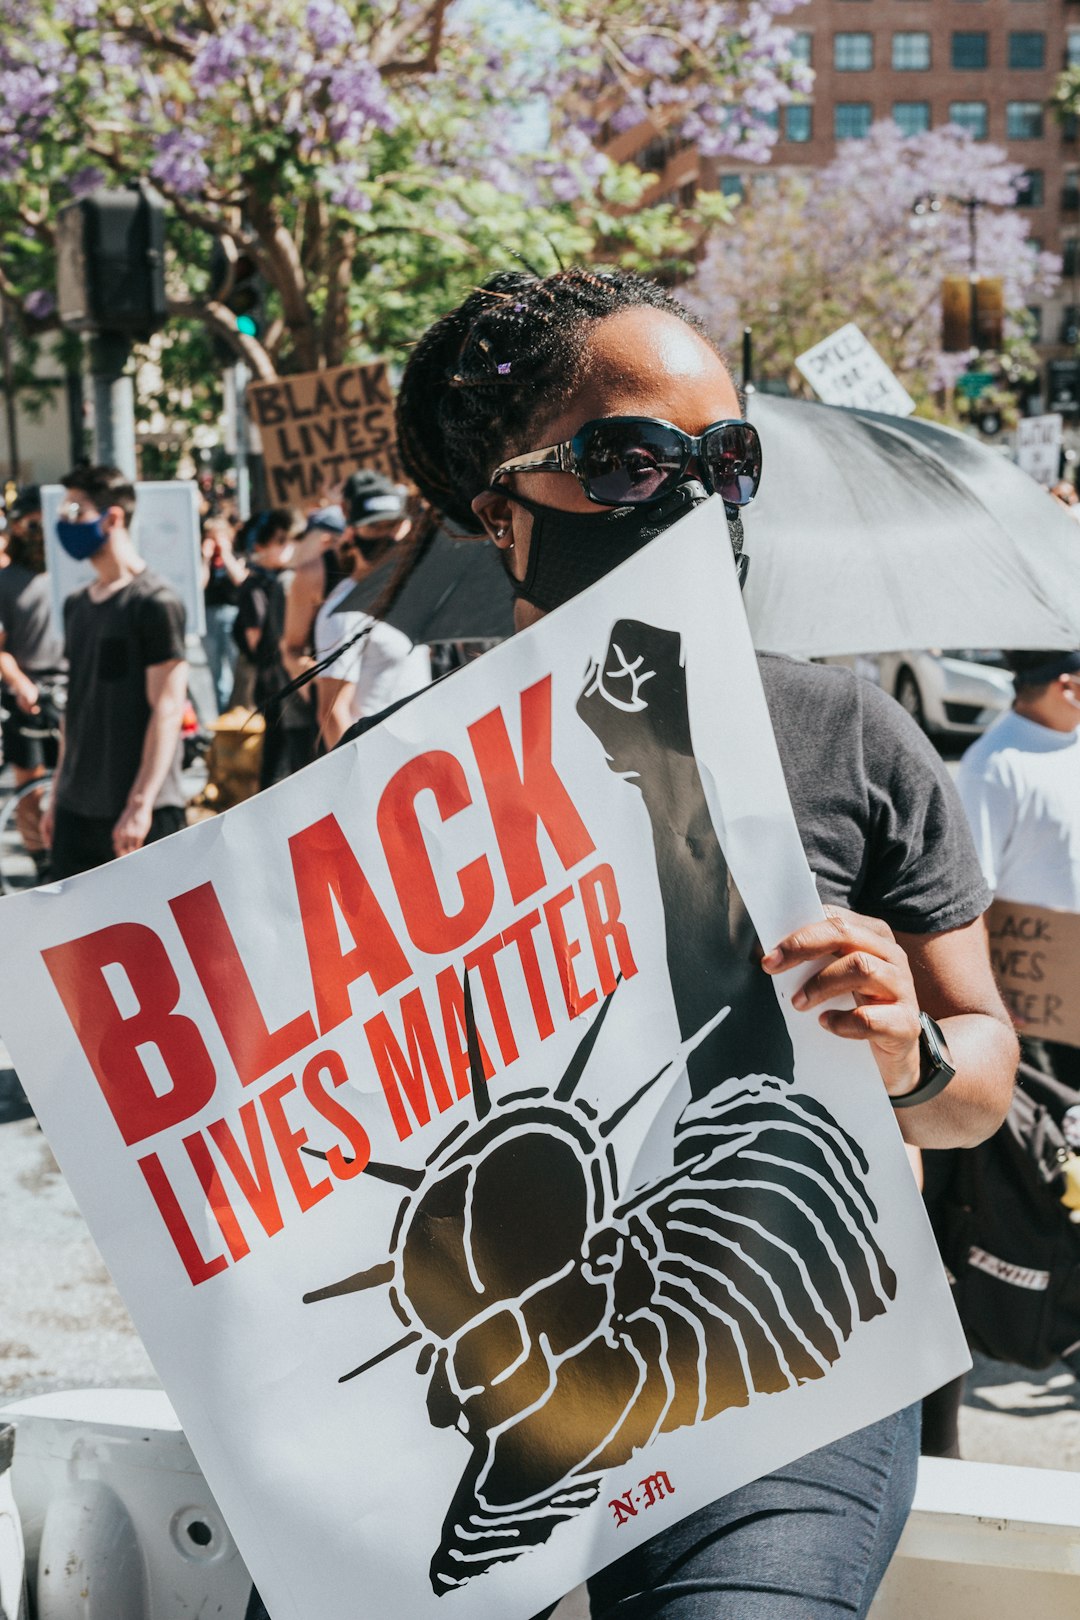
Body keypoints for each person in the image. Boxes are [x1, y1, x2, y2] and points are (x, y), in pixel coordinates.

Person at [391, 267, 1016, 1620]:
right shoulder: (397, 784)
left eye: (722, 460)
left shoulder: (852, 738)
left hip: (786, 1387)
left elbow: (984, 1082)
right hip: (447, 1419)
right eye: (626, 460)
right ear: (504, 512)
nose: (688, 496)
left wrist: (909, 1057)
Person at [41, 465, 188, 880]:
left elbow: (168, 708)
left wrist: (140, 803)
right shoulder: (76, 605)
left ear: (113, 517)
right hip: (76, 809)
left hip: (138, 814)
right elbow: (76, 706)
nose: (65, 521)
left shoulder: (155, 602)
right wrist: (56, 795)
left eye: (76, 508)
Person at [956, 648, 1080, 1088]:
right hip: (1038, 998)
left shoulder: (1073, 740)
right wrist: (989, 997)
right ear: (1068, 686)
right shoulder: (992, 766)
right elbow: (969, 896)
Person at [313, 473, 430, 749]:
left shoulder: (408, 593)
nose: (386, 536)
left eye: (392, 525)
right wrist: (360, 785)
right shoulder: (342, 614)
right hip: (383, 763)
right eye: (375, 527)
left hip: (422, 753)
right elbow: (332, 714)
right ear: (352, 533)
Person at [0, 486, 66, 874]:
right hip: (25, 694)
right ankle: (42, 862)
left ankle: (68, 855)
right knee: (31, 788)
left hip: (71, 691)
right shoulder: (5, 581)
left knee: (74, 783)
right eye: (32, 524)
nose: (39, 533)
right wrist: (20, 683)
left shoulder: (71, 573)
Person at [233, 507, 311, 789]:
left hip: (281, 682)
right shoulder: (257, 587)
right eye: (281, 541)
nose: (289, 547)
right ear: (261, 547)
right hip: (274, 683)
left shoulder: (280, 580)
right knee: (278, 759)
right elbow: (256, 643)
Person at [200, 513, 247, 712]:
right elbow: (199, 585)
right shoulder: (204, 562)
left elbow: (240, 580)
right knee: (216, 671)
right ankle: (222, 713)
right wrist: (205, 559)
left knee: (237, 667)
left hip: (233, 615)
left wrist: (225, 554)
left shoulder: (238, 557)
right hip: (208, 615)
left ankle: (238, 709)